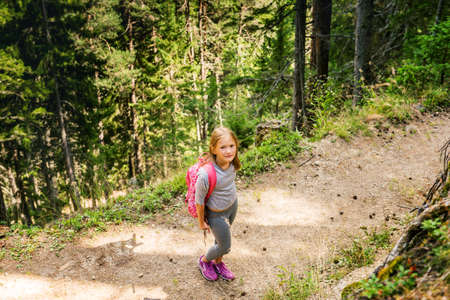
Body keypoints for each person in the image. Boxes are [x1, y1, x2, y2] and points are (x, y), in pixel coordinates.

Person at [196, 127, 241, 281]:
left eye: (231, 146)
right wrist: (201, 221)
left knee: (220, 241)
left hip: (232, 206)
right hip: (216, 214)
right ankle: (204, 261)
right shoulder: (205, 174)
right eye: (222, 147)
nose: (228, 151)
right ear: (213, 149)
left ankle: (218, 262)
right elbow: (199, 200)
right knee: (225, 246)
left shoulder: (232, 162)